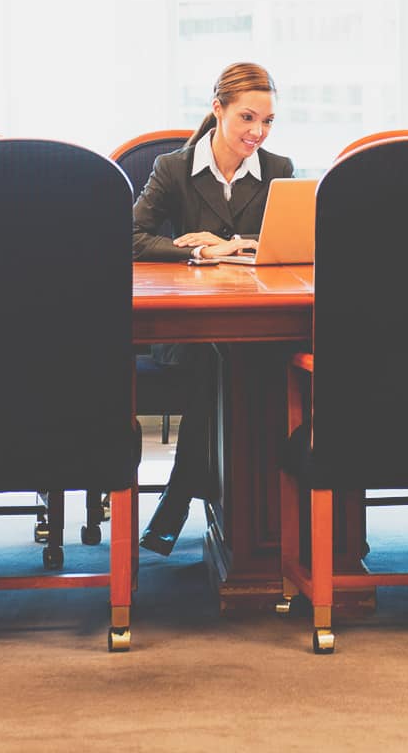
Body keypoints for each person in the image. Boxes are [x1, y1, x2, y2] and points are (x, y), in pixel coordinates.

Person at [130, 62, 293, 553]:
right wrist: (199, 252)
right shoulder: (174, 169)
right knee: (213, 355)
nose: (258, 132)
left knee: (233, 356)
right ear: (217, 109)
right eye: (247, 118)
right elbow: (131, 237)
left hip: (259, 321)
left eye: (267, 121)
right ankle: (248, 520)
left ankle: (188, 501)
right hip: (187, 330)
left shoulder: (278, 170)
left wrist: (235, 244)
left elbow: (293, 240)